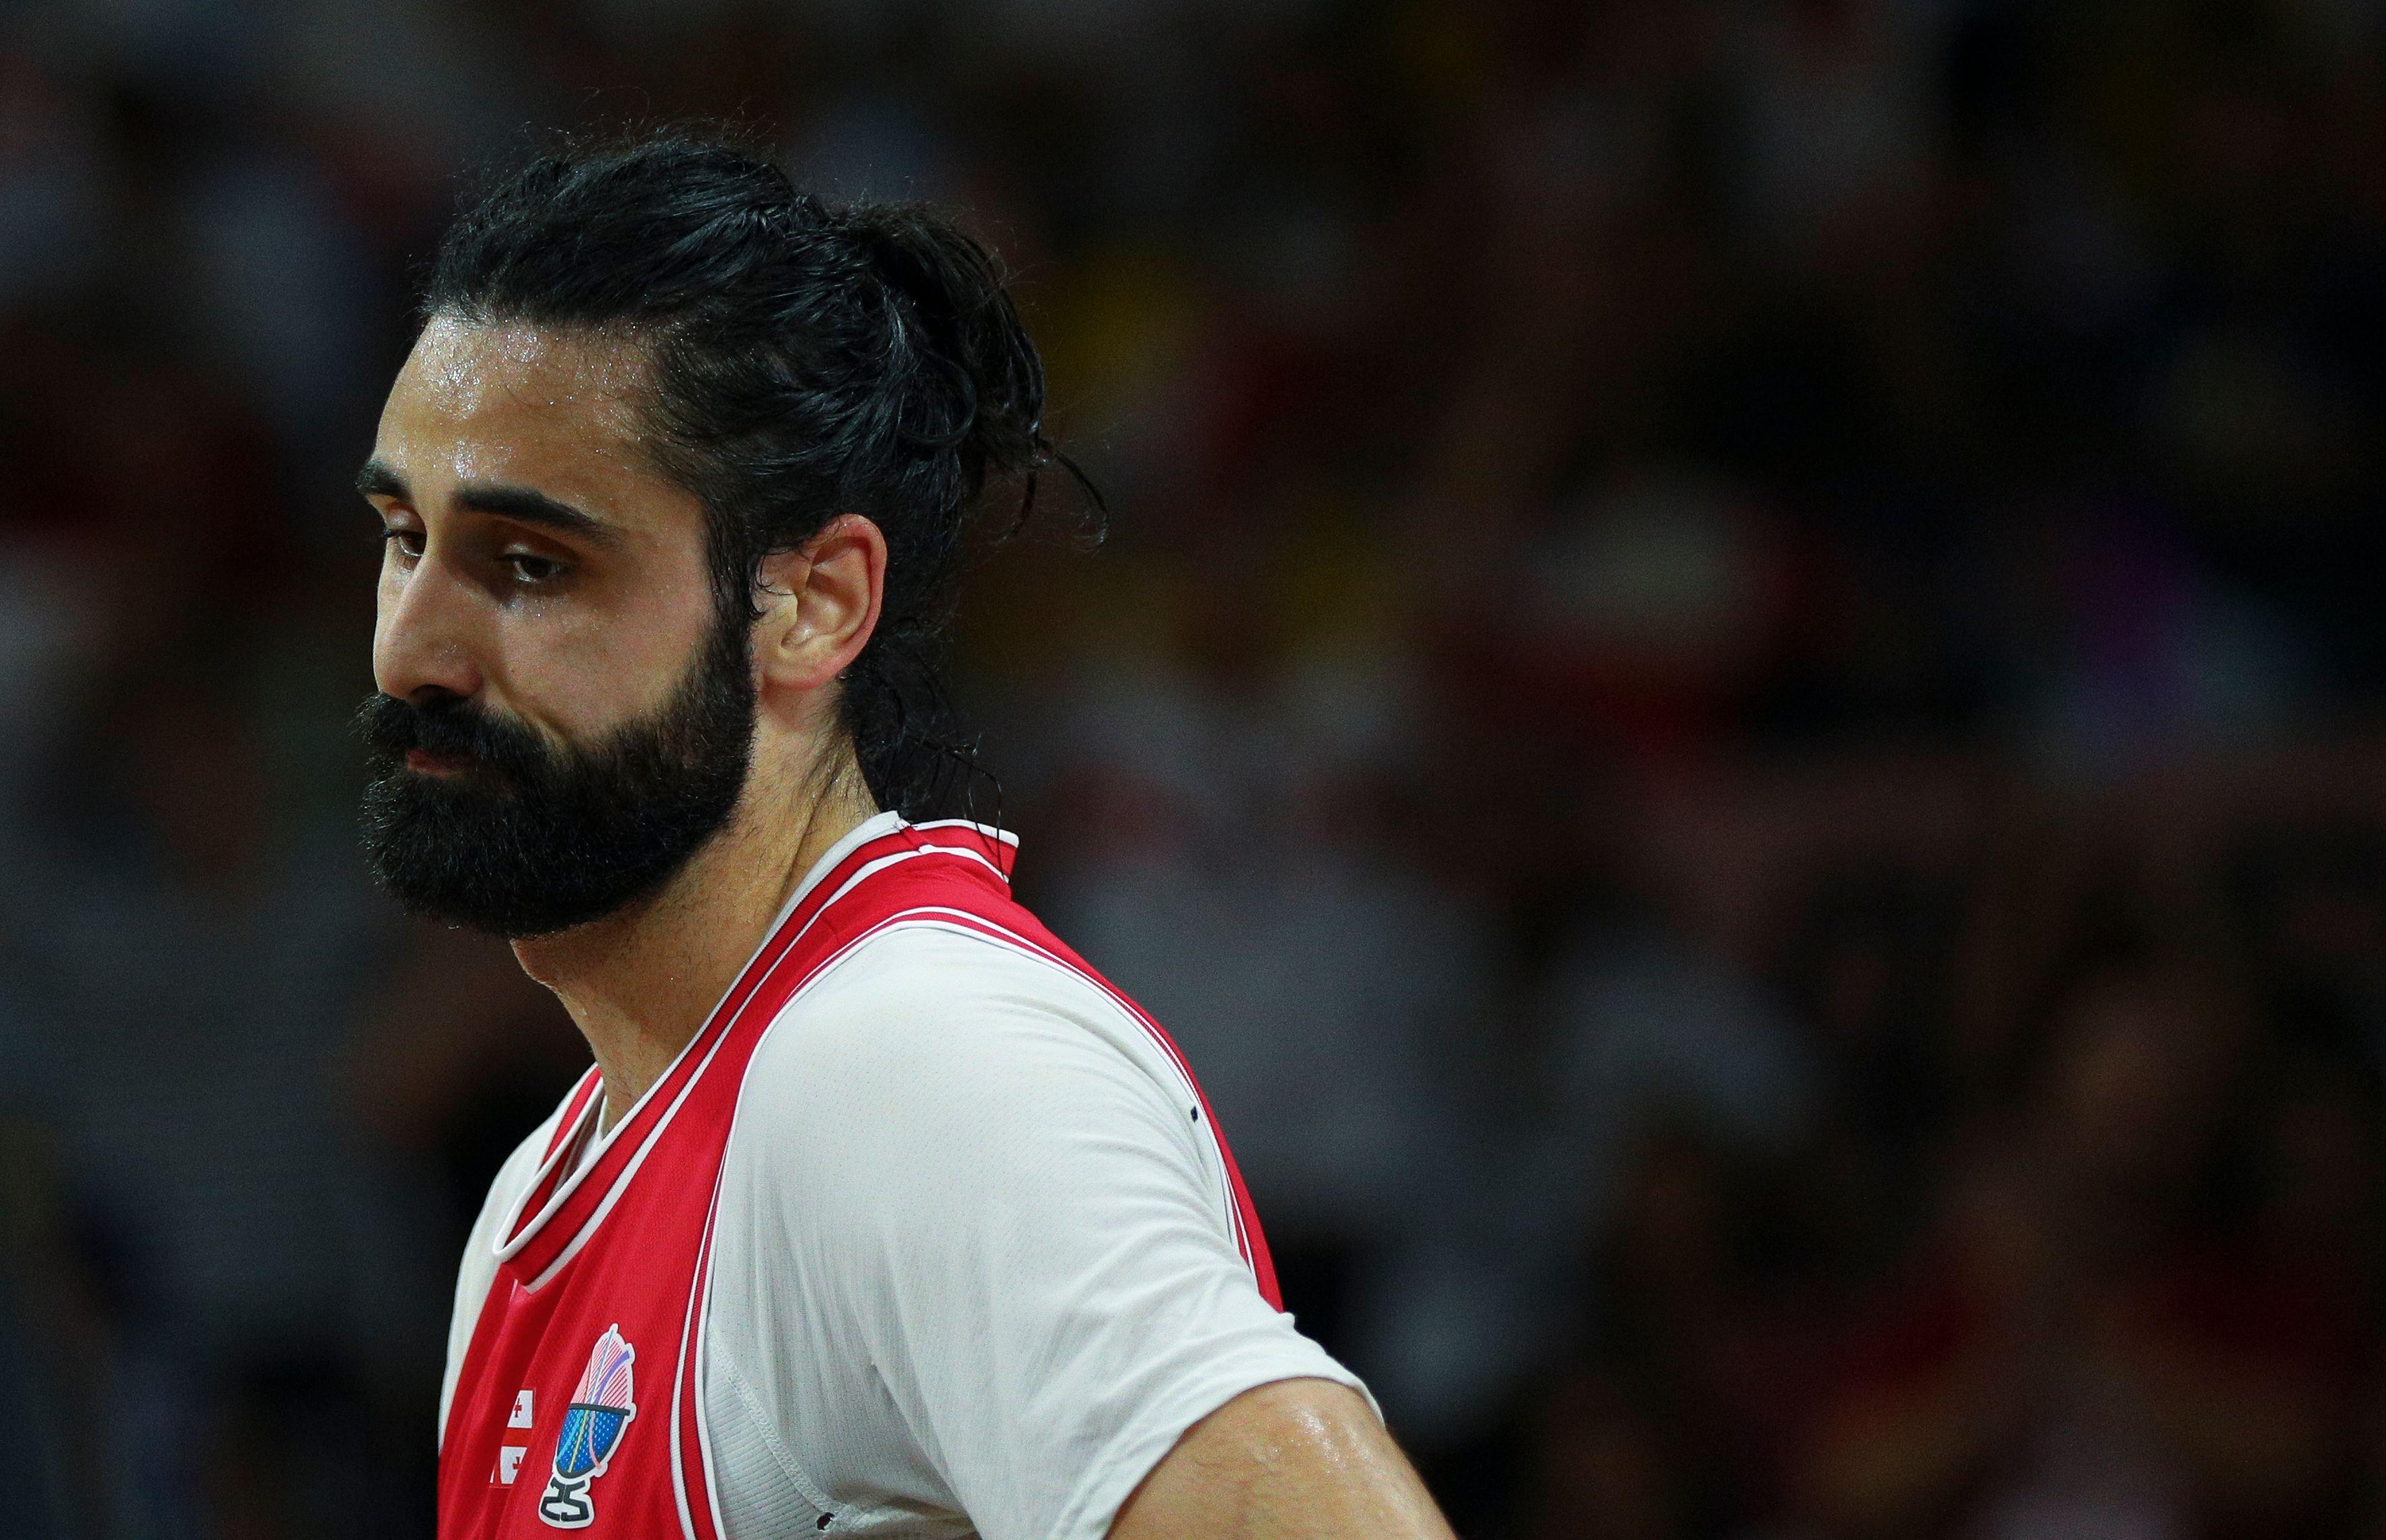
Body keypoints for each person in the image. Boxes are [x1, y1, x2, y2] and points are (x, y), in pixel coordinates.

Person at [356, 131, 1457, 1540]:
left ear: (812, 605)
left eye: (531, 564)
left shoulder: (917, 1067)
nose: (414, 651)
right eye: (405, 539)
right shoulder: (541, 1193)